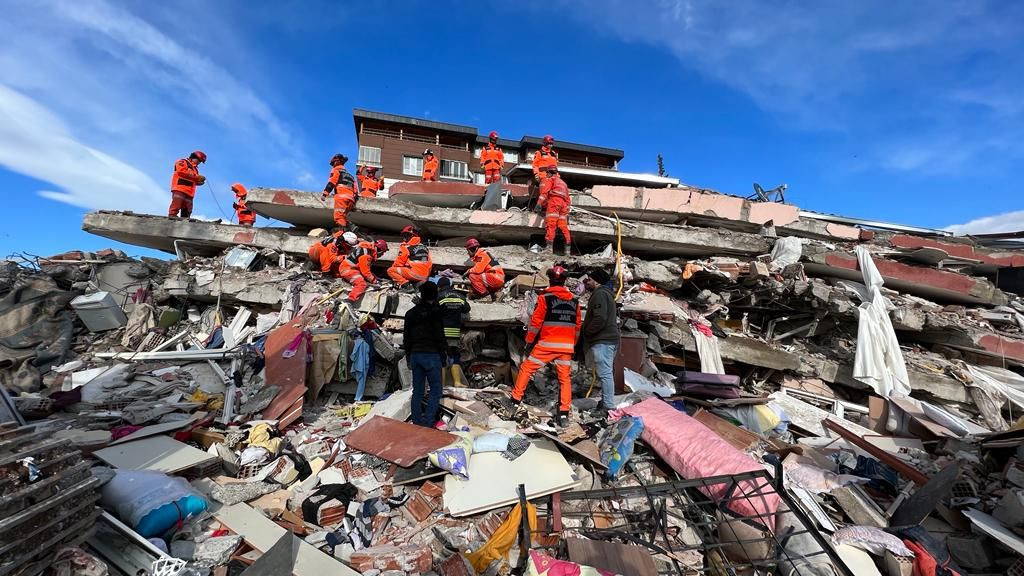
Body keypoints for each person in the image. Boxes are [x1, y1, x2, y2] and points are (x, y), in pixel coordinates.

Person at [508, 266, 581, 426]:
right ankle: (563, 414)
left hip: (547, 344)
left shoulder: (545, 297)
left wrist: (529, 340)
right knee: (564, 379)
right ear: (564, 281)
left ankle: (514, 401)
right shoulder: (574, 301)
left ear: (550, 279)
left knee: (526, 368)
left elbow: (536, 322)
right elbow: (577, 326)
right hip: (566, 347)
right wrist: (572, 345)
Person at [403, 281, 447, 427]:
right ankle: (428, 422)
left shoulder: (410, 314)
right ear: (435, 295)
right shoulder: (435, 313)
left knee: (418, 390)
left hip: (416, 355)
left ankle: (416, 421)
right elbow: (439, 335)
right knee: (435, 389)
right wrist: (444, 355)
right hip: (432, 355)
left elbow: (406, 338)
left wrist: (409, 357)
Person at [580, 268, 620, 414]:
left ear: (596, 281)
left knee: (605, 374)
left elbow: (600, 318)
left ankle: (608, 406)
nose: (587, 282)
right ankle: (606, 401)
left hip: (603, 340)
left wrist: (587, 331)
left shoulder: (600, 294)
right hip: (608, 339)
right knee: (606, 373)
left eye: (589, 280)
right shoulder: (605, 294)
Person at [437, 277, 471, 387]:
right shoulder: (460, 296)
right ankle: (457, 382)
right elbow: (467, 309)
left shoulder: (439, 297)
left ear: (440, 287)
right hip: (455, 332)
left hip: (442, 332)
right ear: (451, 286)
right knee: (454, 355)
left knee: (441, 357)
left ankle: (441, 384)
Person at [536, 167, 571, 256]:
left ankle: (548, 250)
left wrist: (539, 204)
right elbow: (568, 199)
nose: (546, 175)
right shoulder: (563, 183)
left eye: (547, 173)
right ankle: (567, 252)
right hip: (563, 205)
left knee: (551, 224)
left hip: (554, 202)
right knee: (563, 227)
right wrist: (566, 210)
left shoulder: (550, 180)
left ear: (550, 173)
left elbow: (544, 193)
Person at [387, 226, 433, 292]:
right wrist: (426, 277)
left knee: (390, 270)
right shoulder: (424, 248)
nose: (404, 238)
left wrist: (395, 276)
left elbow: (398, 263)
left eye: (405, 235)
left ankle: (406, 286)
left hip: (415, 274)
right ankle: (416, 284)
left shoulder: (406, 247)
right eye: (403, 235)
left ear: (411, 236)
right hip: (425, 276)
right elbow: (430, 264)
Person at [322, 154, 357, 229]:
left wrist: (325, 194)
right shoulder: (350, 175)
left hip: (341, 198)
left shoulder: (336, 170)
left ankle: (341, 234)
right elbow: (356, 190)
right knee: (343, 216)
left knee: (338, 217)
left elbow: (332, 182)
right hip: (351, 200)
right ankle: (351, 228)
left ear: (335, 162)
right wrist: (354, 202)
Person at [168, 150, 206, 218]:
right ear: (194, 157)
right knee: (176, 204)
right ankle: (172, 217)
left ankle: (185, 221)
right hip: (180, 189)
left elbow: (192, 179)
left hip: (189, 193)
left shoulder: (195, 169)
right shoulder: (182, 161)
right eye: (199, 161)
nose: (199, 163)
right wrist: (197, 177)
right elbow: (181, 171)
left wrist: (199, 182)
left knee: (188, 209)